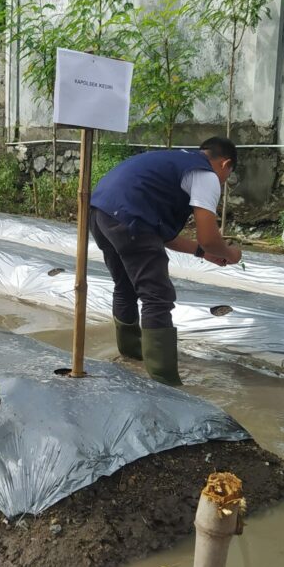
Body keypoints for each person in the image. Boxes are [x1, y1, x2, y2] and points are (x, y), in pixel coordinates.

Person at [89, 137, 243, 386]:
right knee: (157, 296)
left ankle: (133, 353)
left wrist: (203, 254)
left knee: (126, 285)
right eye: (228, 175)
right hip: (129, 216)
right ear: (225, 164)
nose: (223, 182)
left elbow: (163, 235)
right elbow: (208, 237)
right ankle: (165, 381)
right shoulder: (207, 175)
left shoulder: (176, 162)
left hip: (101, 212)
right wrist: (230, 253)